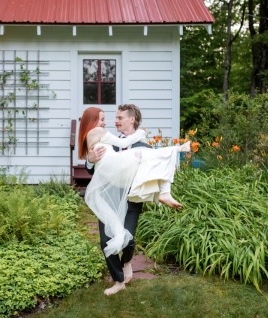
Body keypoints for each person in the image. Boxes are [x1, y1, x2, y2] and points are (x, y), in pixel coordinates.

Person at [79, 105, 190, 295]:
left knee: (127, 241)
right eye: (113, 117)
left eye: (120, 117)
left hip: (131, 199)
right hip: (109, 196)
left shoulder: (145, 147)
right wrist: (90, 157)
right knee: (106, 240)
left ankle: (127, 261)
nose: (115, 121)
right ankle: (118, 280)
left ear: (132, 120)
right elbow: (91, 168)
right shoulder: (107, 139)